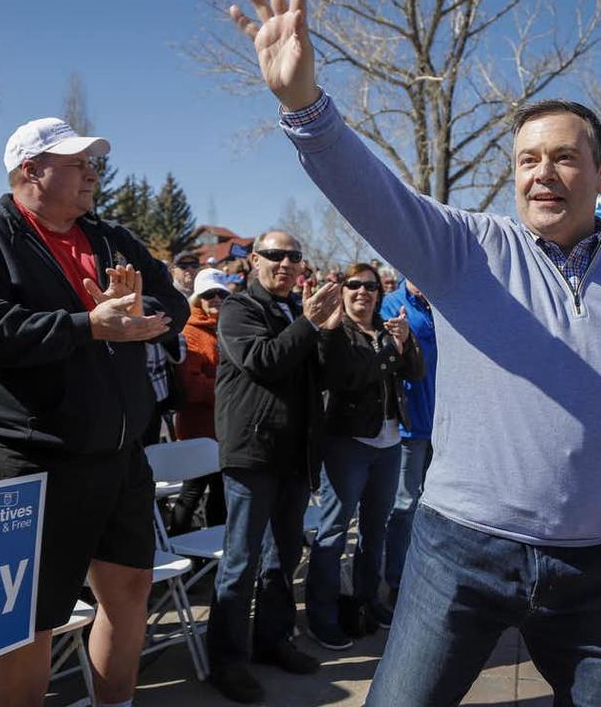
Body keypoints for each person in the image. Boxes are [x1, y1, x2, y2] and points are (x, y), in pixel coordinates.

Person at [229, 0, 601, 705]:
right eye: (526, 160)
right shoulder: (465, 250)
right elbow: (373, 193)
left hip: (596, 571)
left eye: (563, 157)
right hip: (458, 555)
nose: (541, 173)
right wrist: (304, 106)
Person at [0, 116, 189, 707]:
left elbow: (171, 299)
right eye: (77, 162)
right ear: (30, 170)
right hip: (34, 457)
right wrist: (86, 326)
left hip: (120, 451)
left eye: (93, 161)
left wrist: (141, 312)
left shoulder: (110, 236)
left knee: (129, 587)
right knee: (31, 619)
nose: (92, 172)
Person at [207, 230, 342, 703]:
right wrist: (309, 323)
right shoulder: (239, 308)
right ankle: (226, 661)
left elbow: (323, 373)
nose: (284, 263)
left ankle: (272, 641)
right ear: (253, 261)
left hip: (293, 453)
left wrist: (327, 331)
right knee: (241, 561)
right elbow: (263, 361)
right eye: (274, 255)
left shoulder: (296, 311)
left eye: (293, 257)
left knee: (282, 559)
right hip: (252, 452)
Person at [306, 262, 424, 649]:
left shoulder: (390, 329)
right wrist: (393, 349)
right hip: (348, 445)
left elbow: (416, 373)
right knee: (335, 530)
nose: (363, 292)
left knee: (377, 531)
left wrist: (407, 342)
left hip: (389, 444)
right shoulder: (338, 331)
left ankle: (367, 601)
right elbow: (352, 376)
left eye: (370, 286)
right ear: (343, 291)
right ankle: (322, 616)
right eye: (354, 285)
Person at [380, 275, 437, 602]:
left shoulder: (439, 299)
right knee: (403, 505)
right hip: (410, 426)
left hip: (441, 424)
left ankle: (425, 572)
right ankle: (397, 581)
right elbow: (391, 358)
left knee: (434, 504)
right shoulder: (392, 303)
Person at [171, 267, 232, 535]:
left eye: (222, 294)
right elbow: (191, 386)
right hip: (198, 429)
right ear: (198, 298)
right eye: (210, 294)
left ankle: (214, 557)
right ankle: (179, 542)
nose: (216, 299)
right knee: (192, 491)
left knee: (220, 491)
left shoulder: (229, 329)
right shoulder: (190, 332)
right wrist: (230, 389)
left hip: (225, 428)